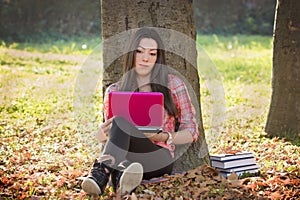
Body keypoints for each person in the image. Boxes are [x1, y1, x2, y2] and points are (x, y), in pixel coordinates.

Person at [81, 27, 199, 196]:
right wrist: (101, 135)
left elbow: (192, 131)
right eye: (139, 52)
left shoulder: (173, 85)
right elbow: (114, 140)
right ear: (131, 54)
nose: (145, 58)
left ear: (158, 58)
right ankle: (122, 177)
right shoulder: (115, 91)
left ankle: (100, 175)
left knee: (120, 123)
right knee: (119, 124)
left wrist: (163, 136)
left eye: (152, 54)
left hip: (158, 155)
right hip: (125, 156)